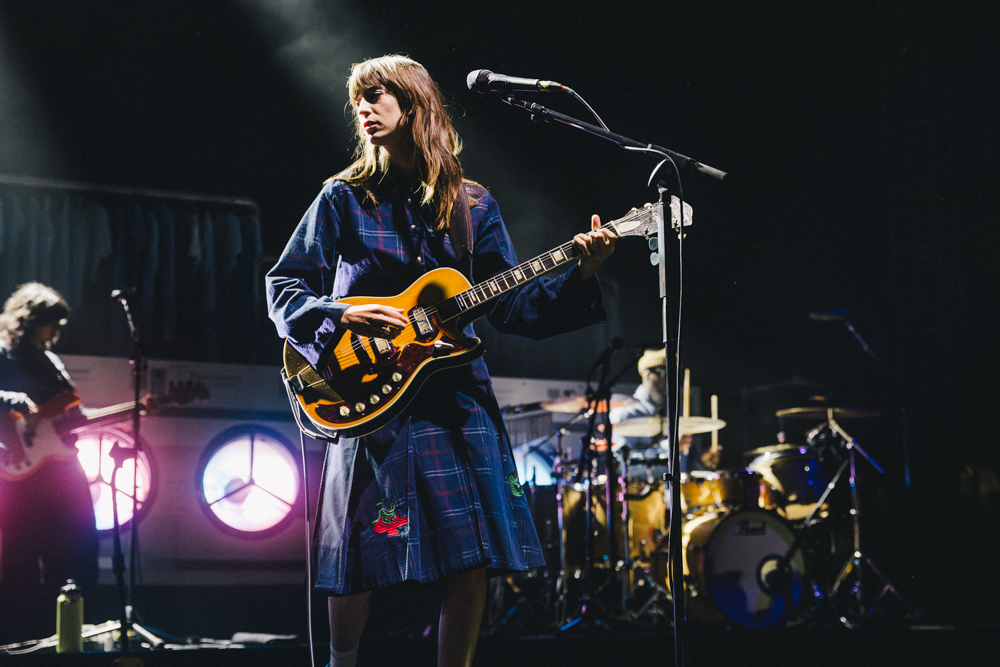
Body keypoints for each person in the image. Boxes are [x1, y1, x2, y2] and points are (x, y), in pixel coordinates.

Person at [265, 55, 616, 667]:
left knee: (471, 550)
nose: (364, 110)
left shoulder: (472, 204)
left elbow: (512, 307)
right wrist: (343, 314)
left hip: (454, 394)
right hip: (367, 391)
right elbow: (284, 287)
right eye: (358, 102)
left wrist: (581, 274)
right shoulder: (343, 198)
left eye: (376, 96)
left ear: (414, 103)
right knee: (355, 555)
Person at [0, 282, 99, 644]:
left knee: (81, 543)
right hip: (20, 473)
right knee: (21, 555)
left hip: (62, 468)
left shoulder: (49, 360)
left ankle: (73, 632)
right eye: (51, 324)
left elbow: (77, 413)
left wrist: (141, 409)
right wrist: (13, 399)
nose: (57, 332)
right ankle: (21, 637)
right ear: (30, 319)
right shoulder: (3, 353)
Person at [609, 348, 722, 473]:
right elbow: (620, 466)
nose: (668, 381)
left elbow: (685, 470)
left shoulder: (677, 415)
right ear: (646, 374)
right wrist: (669, 449)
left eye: (673, 375)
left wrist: (701, 463)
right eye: (663, 373)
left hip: (676, 492)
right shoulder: (626, 414)